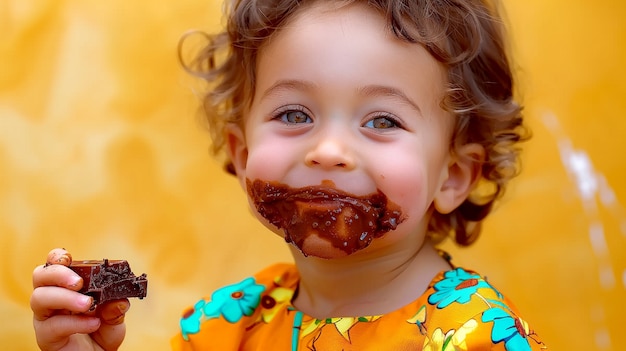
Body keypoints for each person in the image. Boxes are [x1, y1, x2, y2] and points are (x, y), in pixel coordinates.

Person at [31, 0, 548, 350]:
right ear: (241, 150)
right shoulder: (223, 327)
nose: (328, 151)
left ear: (453, 177)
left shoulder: (479, 336)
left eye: (382, 120)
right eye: (295, 115)